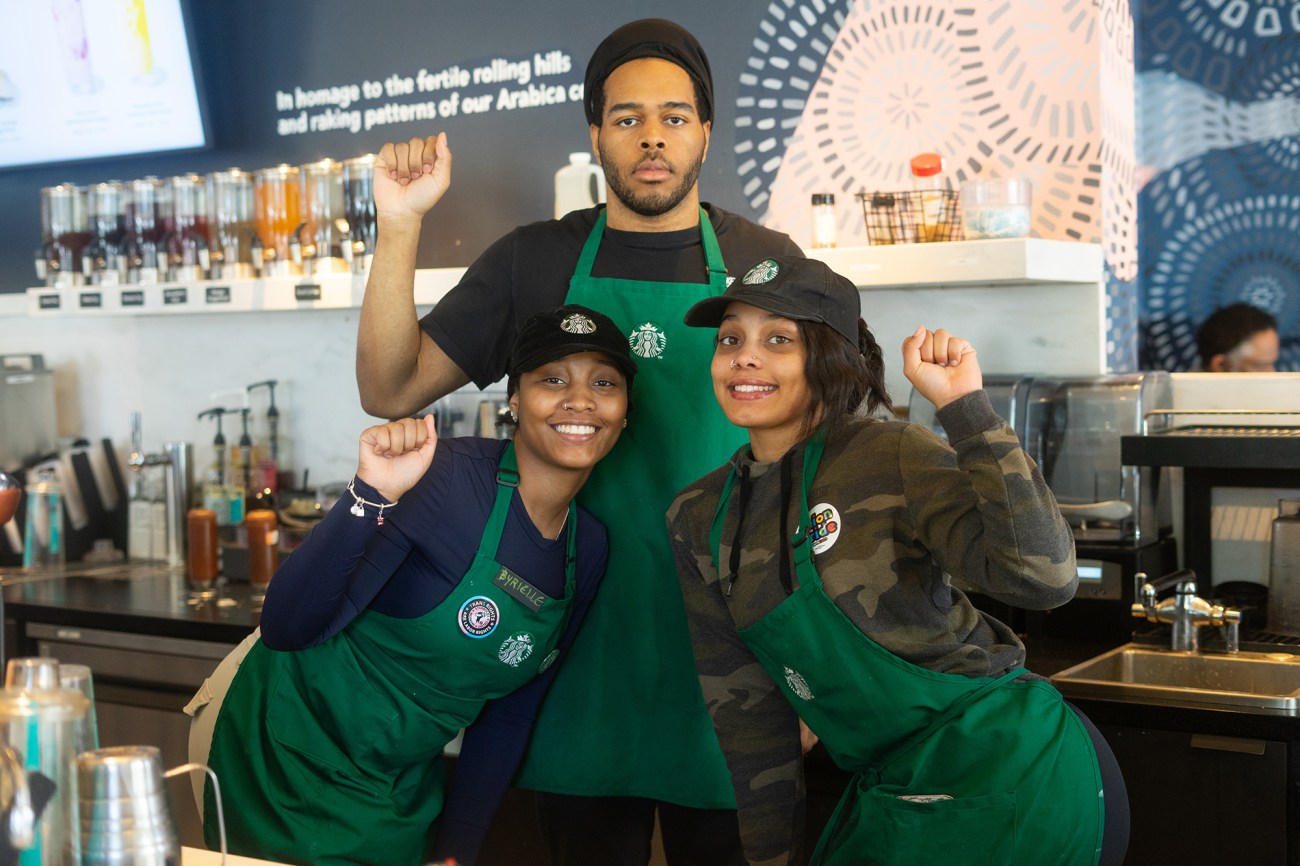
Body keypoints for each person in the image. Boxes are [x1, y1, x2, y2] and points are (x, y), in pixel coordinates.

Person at [355, 18, 801, 865]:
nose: (653, 137)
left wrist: (820, 673)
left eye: (675, 116)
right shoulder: (532, 262)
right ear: (596, 133)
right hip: (570, 650)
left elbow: (809, 473)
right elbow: (390, 387)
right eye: (627, 118)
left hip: (734, 654)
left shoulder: (764, 263)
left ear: (706, 129)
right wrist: (401, 224)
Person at [667, 255, 1130, 865]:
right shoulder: (700, 516)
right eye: (731, 339)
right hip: (897, 785)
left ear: (830, 358)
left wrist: (964, 408)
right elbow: (749, 720)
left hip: (1012, 763)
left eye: (778, 339)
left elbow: (1046, 578)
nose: (744, 357)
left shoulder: (891, 453)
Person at [185, 304, 635, 866]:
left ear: (625, 410)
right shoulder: (445, 476)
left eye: (604, 383)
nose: (580, 400)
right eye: (551, 379)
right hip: (281, 739)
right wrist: (369, 494)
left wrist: (457, 850)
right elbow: (285, 625)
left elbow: (511, 711)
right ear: (514, 401)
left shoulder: (585, 547)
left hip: (394, 777)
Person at [1196, 302, 1279, 372]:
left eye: (1271, 364)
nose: (1272, 373)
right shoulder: (1185, 391)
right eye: (1260, 366)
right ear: (1221, 366)